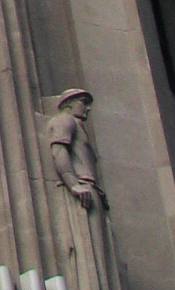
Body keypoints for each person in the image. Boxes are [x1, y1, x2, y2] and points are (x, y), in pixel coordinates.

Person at [47, 88, 122, 290]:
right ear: (68, 103)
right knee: (88, 247)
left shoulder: (78, 125)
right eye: (83, 101)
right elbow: (58, 150)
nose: (87, 107)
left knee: (100, 250)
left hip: (91, 189)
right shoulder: (65, 120)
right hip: (82, 188)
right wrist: (73, 184)